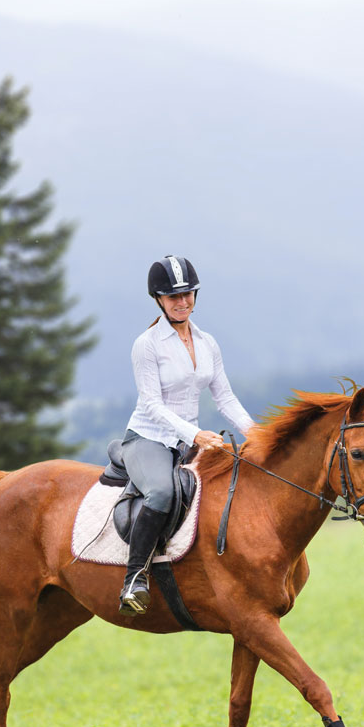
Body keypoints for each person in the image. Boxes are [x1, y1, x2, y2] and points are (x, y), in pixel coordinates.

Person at [118, 255, 255, 616]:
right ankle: (135, 579)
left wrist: (255, 432)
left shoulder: (207, 342)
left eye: (187, 294)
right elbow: (151, 405)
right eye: (172, 296)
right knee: (161, 492)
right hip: (148, 438)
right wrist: (196, 434)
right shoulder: (146, 344)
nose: (182, 302)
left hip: (188, 440)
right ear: (158, 300)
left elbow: (224, 396)